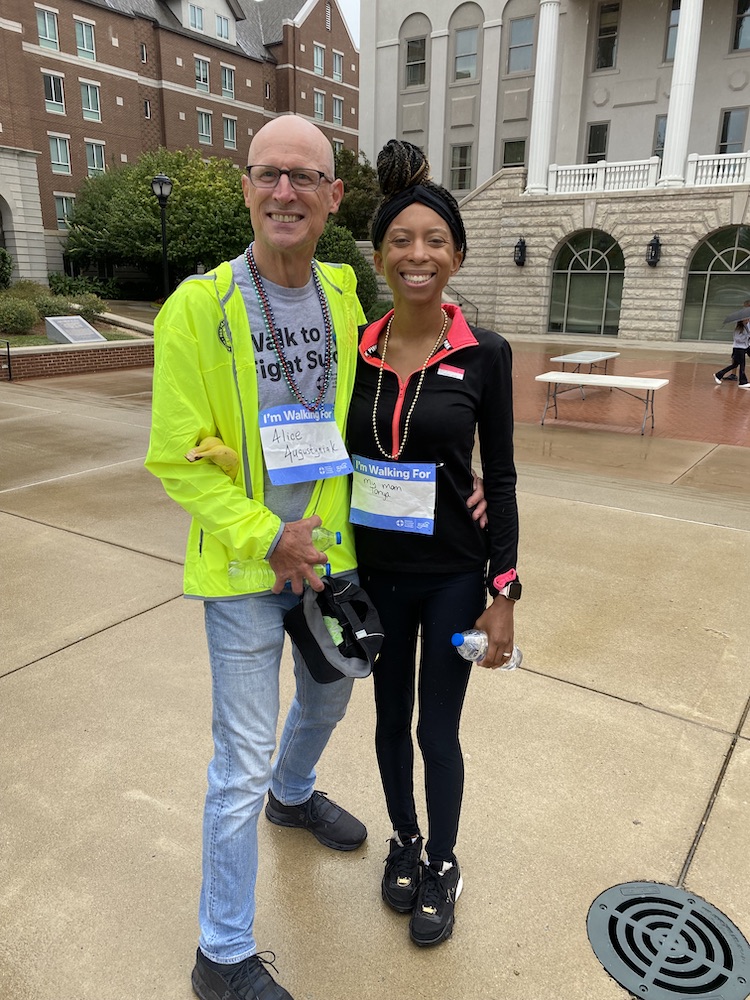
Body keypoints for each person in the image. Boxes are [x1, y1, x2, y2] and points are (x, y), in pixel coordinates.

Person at [145, 115, 368, 1000]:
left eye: (305, 177)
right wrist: (266, 536)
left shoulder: (345, 296)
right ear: (245, 186)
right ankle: (222, 954)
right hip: (245, 574)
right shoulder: (200, 309)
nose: (286, 191)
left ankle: (297, 791)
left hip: (327, 565)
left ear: (332, 197)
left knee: (327, 699)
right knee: (234, 762)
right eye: (269, 174)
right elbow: (174, 459)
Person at [346, 140, 521, 948]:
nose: (418, 256)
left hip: (453, 576)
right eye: (401, 241)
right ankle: (404, 843)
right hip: (376, 576)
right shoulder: (356, 349)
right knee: (386, 723)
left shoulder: (485, 352)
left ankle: (443, 863)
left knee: (435, 730)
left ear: (456, 253)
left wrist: (503, 594)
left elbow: (505, 477)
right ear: (380, 253)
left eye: (435, 242)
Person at [714, 312, 750, 387]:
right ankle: (743, 382)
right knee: (742, 365)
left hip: (745, 347)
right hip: (738, 348)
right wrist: (746, 337)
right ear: (742, 320)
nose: (748, 320)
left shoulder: (747, 325)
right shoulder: (739, 328)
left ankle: (718, 375)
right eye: (746, 319)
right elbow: (737, 339)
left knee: (734, 365)